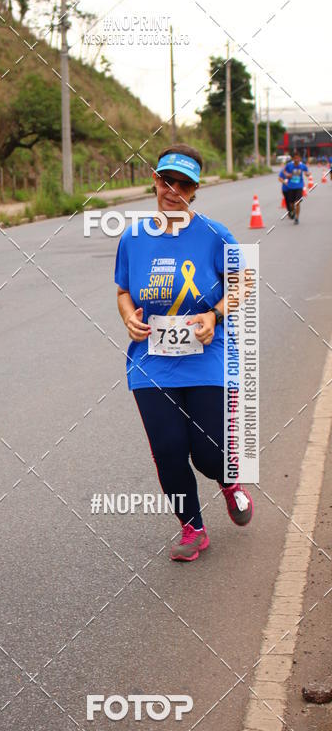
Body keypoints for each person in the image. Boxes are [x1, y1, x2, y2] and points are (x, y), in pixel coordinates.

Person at [114, 143, 253, 562]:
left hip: (207, 358)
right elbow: (123, 290)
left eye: (183, 184)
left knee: (209, 453)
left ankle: (229, 481)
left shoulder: (214, 235)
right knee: (169, 449)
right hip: (151, 361)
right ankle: (192, 528)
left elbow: (242, 283)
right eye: (165, 180)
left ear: (194, 190)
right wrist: (127, 317)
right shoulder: (134, 237)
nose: (172, 190)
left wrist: (215, 314)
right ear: (154, 180)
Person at [278, 150, 310, 224]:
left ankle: (297, 218)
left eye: (298, 158)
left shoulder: (302, 166)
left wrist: (307, 174)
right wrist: (287, 174)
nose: (296, 160)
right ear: (293, 159)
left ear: (300, 158)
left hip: (299, 186)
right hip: (290, 187)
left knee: (297, 202)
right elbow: (283, 171)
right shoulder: (289, 165)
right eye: (295, 158)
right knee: (291, 204)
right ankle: (293, 211)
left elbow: (307, 172)